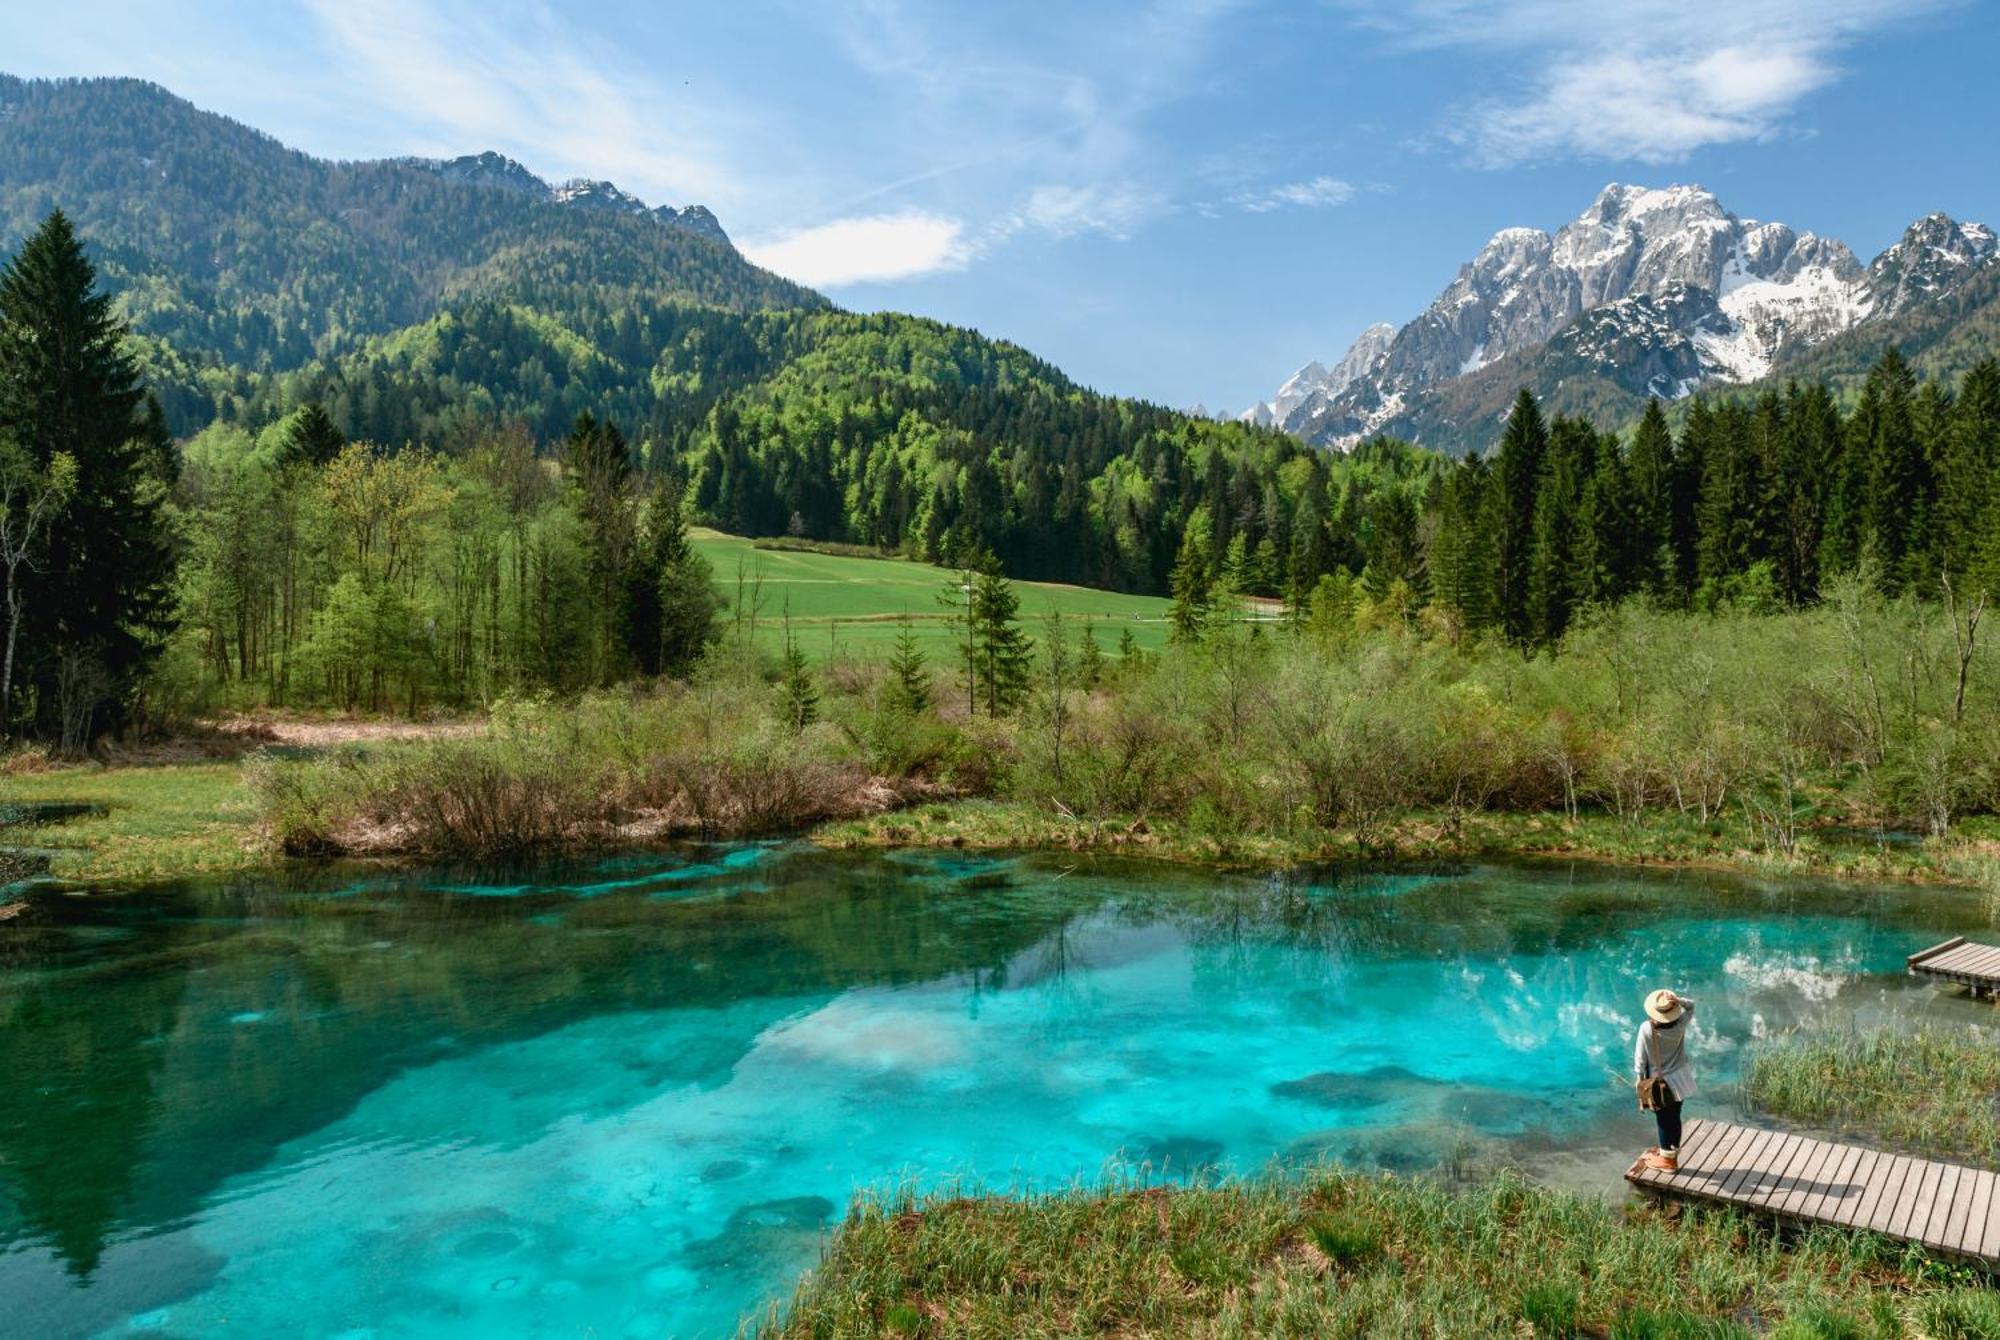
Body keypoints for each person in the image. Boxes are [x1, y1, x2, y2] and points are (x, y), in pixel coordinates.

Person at [1633, 988, 1696, 1172]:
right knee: (1674, 1118)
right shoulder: (1680, 1024)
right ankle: (1671, 1155)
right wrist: (1679, 1000)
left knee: (1663, 1120)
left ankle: (1667, 1162)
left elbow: (1640, 1060)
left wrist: (1640, 1082)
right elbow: (1691, 1006)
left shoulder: (1647, 1028)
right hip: (1680, 1080)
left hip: (1660, 1084)